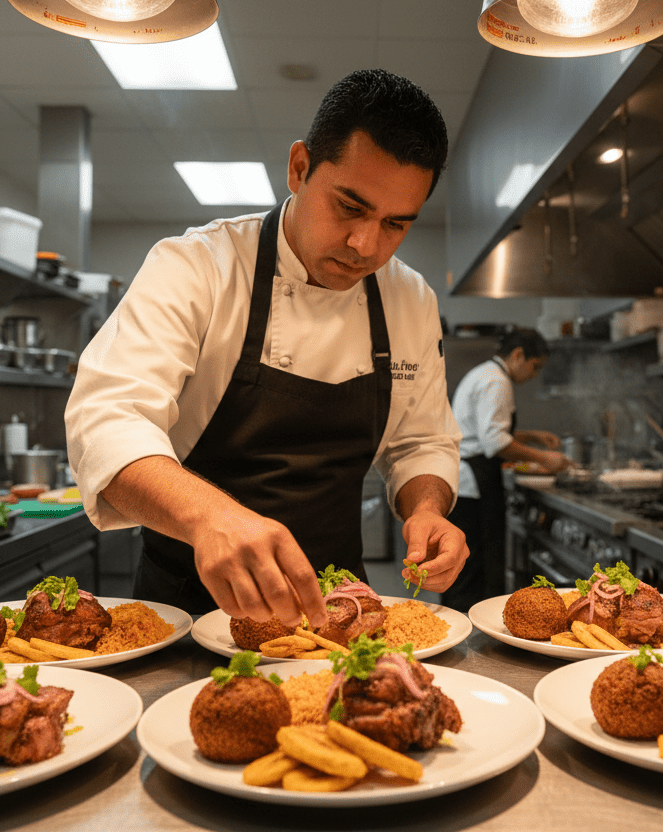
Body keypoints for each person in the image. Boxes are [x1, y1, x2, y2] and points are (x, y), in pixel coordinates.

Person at [65, 69, 467, 628]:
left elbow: (421, 440)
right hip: (186, 607)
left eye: (396, 224)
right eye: (350, 207)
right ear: (299, 168)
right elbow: (106, 418)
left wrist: (427, 509)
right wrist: (208, 516)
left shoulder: (409, 299)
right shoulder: (197, 266)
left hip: (341, 615)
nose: (365, 245)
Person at [440, 327, 572, 611]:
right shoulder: (497, 382)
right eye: (534, 367)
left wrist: (533, 435)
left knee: (464, 566)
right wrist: (544, 458)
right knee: (477, 566)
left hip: (466, 482)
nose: (534, 375)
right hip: (474, 484)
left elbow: (483, 430)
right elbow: (495, 442)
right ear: (518, 355)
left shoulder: (485, 374)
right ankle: (472, 633)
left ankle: (460, 623)